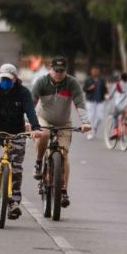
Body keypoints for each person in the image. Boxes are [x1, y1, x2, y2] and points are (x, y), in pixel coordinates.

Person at [0, 64, 42, 220]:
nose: (5, 82)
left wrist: (36, 127)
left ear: (15, 79)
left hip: (16, 132)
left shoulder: (23, 92)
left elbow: (30, 111)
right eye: (2, 79)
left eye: (8, 79)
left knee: (17, 167)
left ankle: (14, 202)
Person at [31, 56, 92, 208]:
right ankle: (39, 162)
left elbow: (79, 103)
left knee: (64, 155)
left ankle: (63, 190)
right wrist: (28, 121)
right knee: (44, 135)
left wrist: (85, 122)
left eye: (62, 71)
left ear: (66, 71)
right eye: (56, 70)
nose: (59, 74)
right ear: (50, 69)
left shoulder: (71, 83)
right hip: (43, 119)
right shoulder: (41, 82)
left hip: (64, 122)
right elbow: (31, 102)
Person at [83, 65, 108, 140]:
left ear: (98, 72)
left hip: (100, 101)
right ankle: (91, 132)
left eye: (96, 71)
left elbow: (105, 89)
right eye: (93, 71)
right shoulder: (88, 79)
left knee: (100, 117)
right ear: (91, 71)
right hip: (91, 101)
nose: (95, 72)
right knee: (91, 117)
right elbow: (84, 89)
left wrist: (107, 93)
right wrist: (89, 88)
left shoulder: (101, 80)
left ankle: (95, 127)